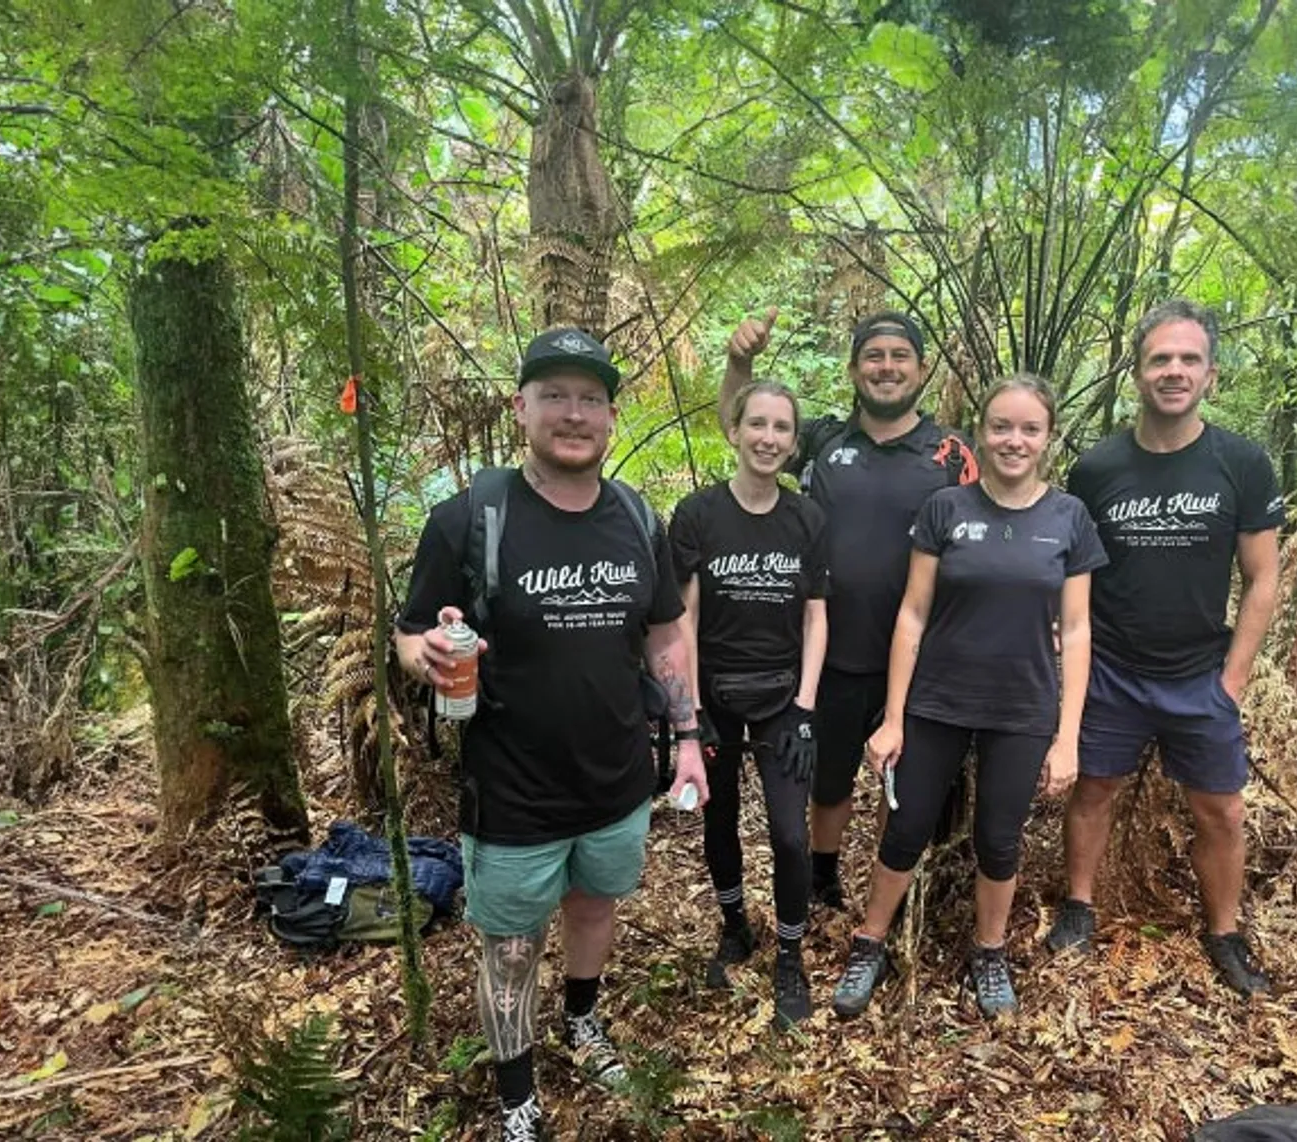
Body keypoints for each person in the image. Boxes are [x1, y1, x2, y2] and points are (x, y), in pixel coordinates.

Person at [394, 328, 710, 1141]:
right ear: (521, 408)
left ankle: (581, 1019)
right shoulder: (469, 517)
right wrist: (424, 653)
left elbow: (666, 636)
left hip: (614, 775)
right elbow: (407, 632)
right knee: (507, 944)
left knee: (595, 908)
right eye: (556, 396)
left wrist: (685, 738)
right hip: (510, 786)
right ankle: (516, 1092)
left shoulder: (638, 517)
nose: (575, 414)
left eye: (591, 399)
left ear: (610, 414)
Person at [828, 375, 1106, 1019]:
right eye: (1001, 426)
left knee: (999, 839)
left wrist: (1067, 737)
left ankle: (990, 951)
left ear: (1047, 437)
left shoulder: (1068, 518)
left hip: (1023, 707)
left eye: (1029, 429)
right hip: (937, 701)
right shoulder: (947, 510)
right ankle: (870, 941)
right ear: (981, 431)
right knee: (906, 828)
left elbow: (1079, 629)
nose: (1014, 440)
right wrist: (893, 718)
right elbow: (912, 616)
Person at [1044, 298, 1284, 998]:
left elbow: (1264, 576)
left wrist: (1232, 681)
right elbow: (1075, 572)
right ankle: (1079, 908)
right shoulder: (1097, 467)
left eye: (1188, 359)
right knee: (1093, 790)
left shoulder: (1240, 462)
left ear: (1210, 374)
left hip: (1199, 675)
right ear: (1137, 371)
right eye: (1160, 359)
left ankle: (1224, 932)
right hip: (1113, 669)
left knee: (1221, 810)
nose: (1173, 371)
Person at [722, 308, 977, 913]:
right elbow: (741, 428)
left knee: (910, 789)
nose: (886, 368)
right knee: (829, 780)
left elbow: (996, 519)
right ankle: (823, 877)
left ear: (921, 368)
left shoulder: (951, 452)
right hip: (831, 653)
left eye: (899, 357)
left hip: (923, 658)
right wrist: (740, 363)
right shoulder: (822, 442)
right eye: (874, 356)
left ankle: (905, 892)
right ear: (854, 368)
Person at [669, 380, 829, 1028]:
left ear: (792, 443)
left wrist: (808, 709)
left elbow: (818, 617)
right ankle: (734, 926)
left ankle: (790, 954)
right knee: (720, 820)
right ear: (734, 431)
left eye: (781, 429)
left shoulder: (806, 519)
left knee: (792, 835)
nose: (768, 438)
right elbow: (683, 620)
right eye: (756, 424)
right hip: (716, 692)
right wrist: (691, 712)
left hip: (782, 695)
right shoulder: (697, 515)